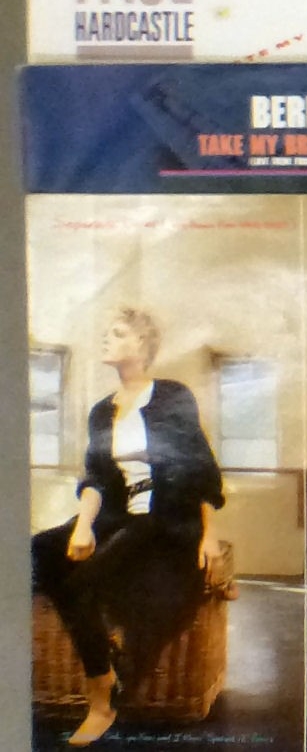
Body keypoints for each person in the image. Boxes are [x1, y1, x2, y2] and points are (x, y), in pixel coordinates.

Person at [31, 308, 227, 747]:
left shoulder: (172, 396)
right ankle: (105, 660)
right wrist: (83, 527)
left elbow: (199, 466)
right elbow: (96, 479)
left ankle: (101, 698)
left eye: (117, 333)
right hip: (117, 516)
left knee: (83, 583)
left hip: (165, 523)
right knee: (35, 552)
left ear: (141, 344)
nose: (106, 339)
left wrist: (209, 536)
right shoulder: (102, 412)